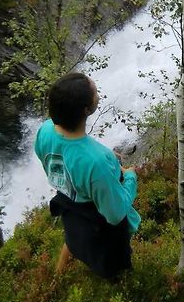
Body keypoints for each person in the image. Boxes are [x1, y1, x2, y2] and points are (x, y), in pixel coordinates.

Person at [34, 72, 140, 279]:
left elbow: (62, 153)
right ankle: (116, 281)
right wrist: (130, 177)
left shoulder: (45, 129)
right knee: (114, 265)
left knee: (73, 237)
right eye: (95, 92)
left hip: (67, 199)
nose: (97, 93)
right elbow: (115, 213)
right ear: (86, 109)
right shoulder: (96, 162)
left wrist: (105, 157)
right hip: (96, 220)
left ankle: (57, 278)